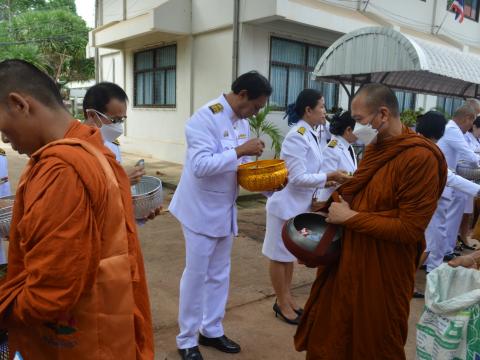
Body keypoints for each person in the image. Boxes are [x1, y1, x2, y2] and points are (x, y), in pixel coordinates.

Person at [0, 59, 154, 359]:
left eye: (1, 126)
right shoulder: (90, 147)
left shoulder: (62, 169)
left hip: (80, 342)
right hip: (108, 324)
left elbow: (49, 294)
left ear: (19, 104)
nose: (4, 138)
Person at [294, 83, 447, 359]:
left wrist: (351, 217)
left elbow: (410, 228)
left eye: (361, 119)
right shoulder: (378, 147)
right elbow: (359, 192)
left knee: (375, 342)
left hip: (383, 270)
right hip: (349, 259)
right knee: (332, 336)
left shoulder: (420, 157)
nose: (356, 126)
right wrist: (327, 217)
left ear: (383, 115)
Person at [169, 71, 271, 360]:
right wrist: (240, 150)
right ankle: (186, 339)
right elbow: (200, 166)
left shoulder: (241, 122)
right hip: (199, 211)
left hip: (224, 210)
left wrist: (270, 185)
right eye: (255, 106)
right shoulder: (204, 118)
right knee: (197, 275)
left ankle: (211, 329)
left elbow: (243, 169)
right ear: (241, 94)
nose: (256, 112)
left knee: (219, 274)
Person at [262, 89, 349, 326]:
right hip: (284, 205)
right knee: (278, 257)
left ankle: (287, 299)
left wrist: (327, 180)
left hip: (298, 206)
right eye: (321, 106)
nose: (325, 111)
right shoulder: (297, 136)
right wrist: (328, 175)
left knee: (288, 255)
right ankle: (281, 303)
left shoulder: (310, 134)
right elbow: (297, 177)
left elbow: (310, 172)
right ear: (308, 110)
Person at [416, 111, 480, 274]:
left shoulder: (420, 145)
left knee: (434, 236)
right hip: (429, 199)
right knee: (433, 238)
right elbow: (448, 176)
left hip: (427, 198)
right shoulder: (427, 149)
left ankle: (428, 268)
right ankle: (431, 271)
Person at [437, 104, 480, 261]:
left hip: (452, 178)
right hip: (447, 179)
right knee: (446, 220)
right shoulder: (452, 129)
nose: (470, 126)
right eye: (472, 121)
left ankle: (446, 249)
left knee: (451, 218)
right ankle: (441, 252)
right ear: (467, 118)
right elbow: (470, 157)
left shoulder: (452, 129)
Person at [83, 82, 145, 185]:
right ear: (92, 115)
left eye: (121, 120)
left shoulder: (111, 145)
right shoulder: (76, 148)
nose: (118, 126)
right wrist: (121, 179)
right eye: (114, 120)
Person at [316, 111, 358, 202]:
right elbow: (327, 181)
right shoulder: (331, 150)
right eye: (358, 128)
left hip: (344, 200)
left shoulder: (348, 146)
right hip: (330, 202)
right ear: (348, 130)